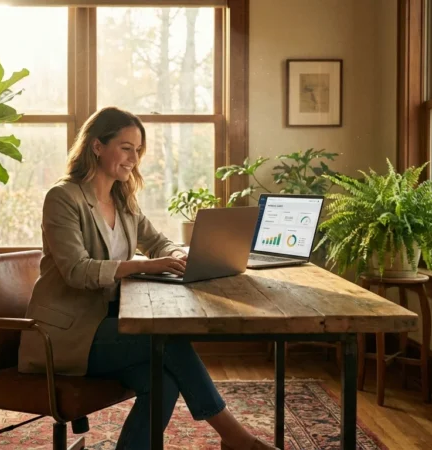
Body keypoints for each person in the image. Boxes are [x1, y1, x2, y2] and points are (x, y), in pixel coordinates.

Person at [18, 106, 275, 450]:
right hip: (66, 336)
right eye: (126, 147)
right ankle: (234, 437)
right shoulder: (63, 198)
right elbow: (77, 270)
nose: (133, 158)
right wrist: (144, 266)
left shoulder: (123, 200)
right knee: (168, 340)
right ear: (97, 146)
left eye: (138, 150)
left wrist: (182, 255)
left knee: (163, 380)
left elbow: (158, 242)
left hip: (108, 323)